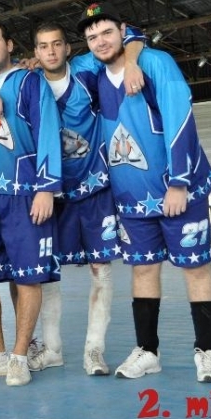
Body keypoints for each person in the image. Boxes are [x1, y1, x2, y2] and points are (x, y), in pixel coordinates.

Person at [79, 2, 211, 383]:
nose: (100, 41)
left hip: (177, 191)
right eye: (91, 37)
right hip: (132, 198)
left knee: (195, 267)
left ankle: (207, 352)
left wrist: (179, 181)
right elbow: (58, 63)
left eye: (106, 32)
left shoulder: (157, 63)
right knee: (143, 269)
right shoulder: (94, 72)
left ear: (122, 30)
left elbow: (180, 119)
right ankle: (147, 351)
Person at [26, 22, 144, 376]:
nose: (50, 51)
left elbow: (132, 35)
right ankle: (52, 349)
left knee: (101, 271)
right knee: (48, 275)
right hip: (52, 196)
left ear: (67, 48)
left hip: (94, 190)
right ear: (35, 53)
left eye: (57, 44)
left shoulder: (85, 71)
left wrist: (132, 63)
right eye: (43, 46)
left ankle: (94, 350)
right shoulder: (28, 84)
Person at [0, 21, 62, 386]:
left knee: (28, 276)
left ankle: (20, 356)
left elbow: (48, 130)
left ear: (10, 45)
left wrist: (47, 188)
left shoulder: (30, 82)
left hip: (28, 192)